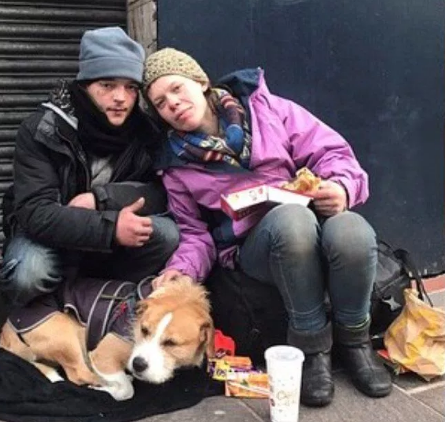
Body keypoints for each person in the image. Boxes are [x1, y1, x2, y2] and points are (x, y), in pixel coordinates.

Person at [142, 48, 392, 407]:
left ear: (200, 82)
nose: (174, 104)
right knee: (291, 222)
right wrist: (180, 272)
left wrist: (341, 187)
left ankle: (356, 342)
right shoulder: (176, 166)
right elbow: (196, 235)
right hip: (256, 250)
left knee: (351, 229)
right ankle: (312, 349)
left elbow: (332, 153)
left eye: (178, 89)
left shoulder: (268, 108)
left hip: (314, 222)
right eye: (161, 103)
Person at [0, 28, 179, 308]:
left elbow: (161, 191)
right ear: (85, 86)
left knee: (167, 235)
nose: (121, 97)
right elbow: (35, 212)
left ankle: (93, 298)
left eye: (130, 87)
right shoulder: (43, 129)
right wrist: (109, 228)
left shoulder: (145, 131)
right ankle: (39, 315)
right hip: (49, 237)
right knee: (30, 273)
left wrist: (102, 199)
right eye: (107, 85)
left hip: (109, 238)